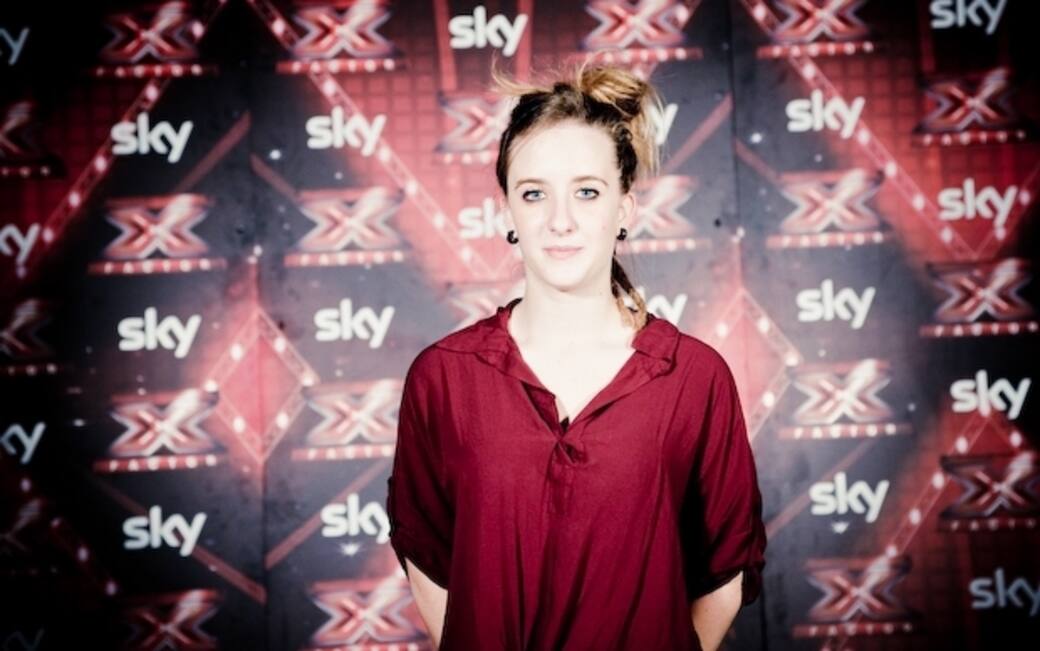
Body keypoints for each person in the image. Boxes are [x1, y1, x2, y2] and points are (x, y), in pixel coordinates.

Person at [385, 62, 766, 651]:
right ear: (508, 211)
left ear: (624, 209)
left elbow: (725, 569)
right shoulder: (444, 378)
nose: (560, 221)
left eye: (587, 192)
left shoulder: (694, 377)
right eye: (534, 194)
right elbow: (427, 556)